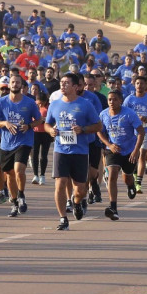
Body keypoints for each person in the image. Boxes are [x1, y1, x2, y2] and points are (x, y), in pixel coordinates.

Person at [44, 73, 101, 230]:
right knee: (60, 183)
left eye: (67, 83)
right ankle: (63, 218)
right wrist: (50, 131)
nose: (63, 85)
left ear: (76, 87)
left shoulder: (85, 105)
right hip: (60, 149)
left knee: (80, 189)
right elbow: (47, 124)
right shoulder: (54, 104)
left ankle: (77, 202)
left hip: (80, 151)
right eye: (61, 82)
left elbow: (98, 126)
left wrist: (82, 129)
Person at [0, 75, 42, 217]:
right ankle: (14, 203)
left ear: (22, 86)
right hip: (6, 143)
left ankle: (21, 195)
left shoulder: (30, 103)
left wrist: (29, 125)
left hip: (24, 141)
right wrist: (5, 123)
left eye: (17, 82)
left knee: (19, 170)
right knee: (9, 174)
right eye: (12, 82)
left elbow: (39, 120)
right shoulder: (1, 102)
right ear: (9, 85)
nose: (14, 84)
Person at [97, 89, 145, 221]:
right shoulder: (103, 114)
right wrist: (109, 144)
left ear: (120, 101)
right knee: (112, 175)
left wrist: (135, 151)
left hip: (129, 150)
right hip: (112, 150)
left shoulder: (129, 114)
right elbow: (99, 131)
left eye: (115, 99)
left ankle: (131, 186)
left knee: (127, 178)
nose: (112, 102)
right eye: (109, 99)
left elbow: (141, 132)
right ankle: (113, 207)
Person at [31, 91, 52, 185]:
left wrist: (44, 119)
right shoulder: (33, 106)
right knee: (34, 154)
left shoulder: (49, 107)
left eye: (41, 103)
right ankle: (35, 175)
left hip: (46, 133)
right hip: (35, 133)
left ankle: (42, 175)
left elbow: (52, 119)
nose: (39, 105)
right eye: (38, 103)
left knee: (43, 155)